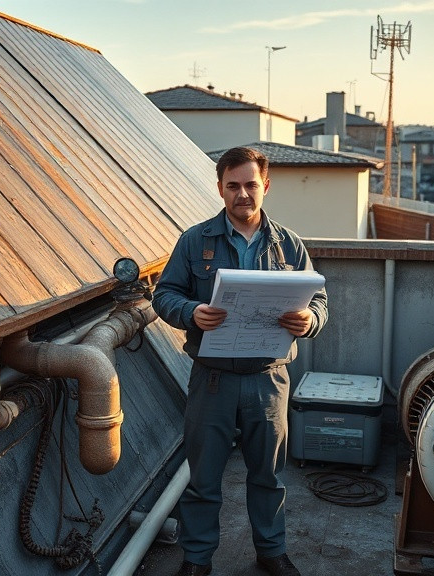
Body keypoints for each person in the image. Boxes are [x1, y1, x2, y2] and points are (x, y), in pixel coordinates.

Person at [152, 146, 328, 576]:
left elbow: (319, 300)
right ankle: (197, 559)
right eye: (233, 186)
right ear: (220, 188)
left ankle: (271, 552)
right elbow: (164, 294)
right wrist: (191, 311)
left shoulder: (289, 244)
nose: (243, 194)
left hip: (268, 380)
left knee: (268, 476)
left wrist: (310, 320)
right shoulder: (195, 241)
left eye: (251, 185)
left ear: (265, 185)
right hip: (212, 379)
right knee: (203, 477)